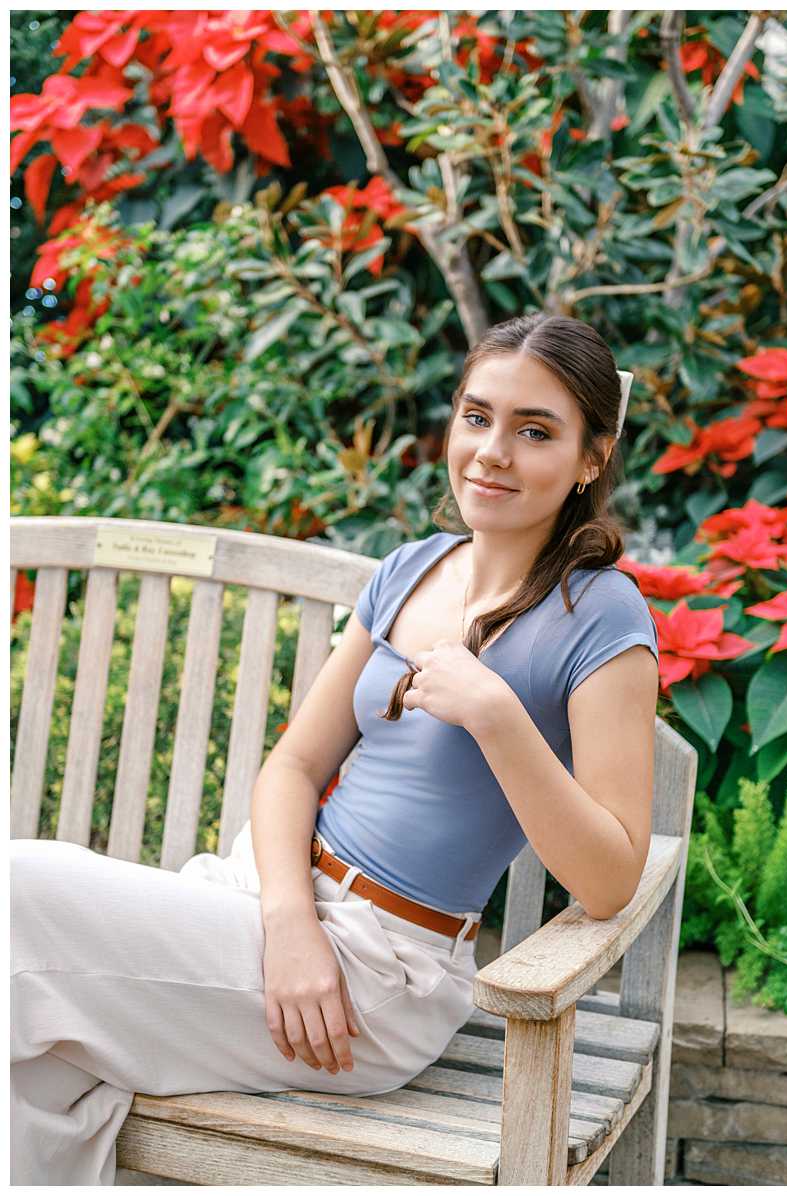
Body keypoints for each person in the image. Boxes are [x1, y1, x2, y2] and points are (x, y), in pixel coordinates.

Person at [10, 314, 661, 1184]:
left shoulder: (602, 615)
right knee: (35, 1067)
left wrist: (497, 715)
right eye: (476, 416)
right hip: (269, 906)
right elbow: (293, 767)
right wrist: (289, 923)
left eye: (533, 431)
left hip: (378, 972)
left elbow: (613, 876)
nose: (492, 452)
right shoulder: (412, 568)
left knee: (16, 889)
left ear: (591, 458)